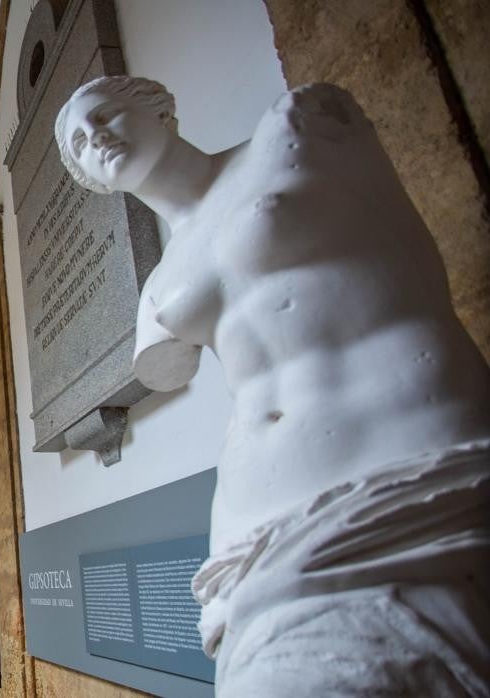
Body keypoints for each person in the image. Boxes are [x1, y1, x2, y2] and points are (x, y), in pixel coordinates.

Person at [55, 76, 490, 694]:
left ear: (161, 109)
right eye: (79, 141)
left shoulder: (294, 132)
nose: (94, 137)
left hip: (418, 460)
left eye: (103, 115)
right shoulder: (156, 294)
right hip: (252, 533)